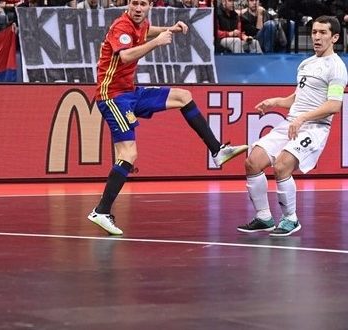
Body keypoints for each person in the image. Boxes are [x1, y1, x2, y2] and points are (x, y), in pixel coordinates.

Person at [88, 0, 248, 236]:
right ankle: (101, 211)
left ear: (150, 6)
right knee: (129, 154)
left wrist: (169, 29)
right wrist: (158, 42)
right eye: (134, 3)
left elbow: (146, 30)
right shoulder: (121, 26)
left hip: (131, 92)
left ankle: (217, 150)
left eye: (143, 4)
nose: (138, 8)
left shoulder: (140, 23)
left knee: (183, 96)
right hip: (112, 96)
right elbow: (125, 56)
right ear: (128, 5)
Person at [237, 16, 347, 237]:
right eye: (314, 32)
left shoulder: (337, 68)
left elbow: (334, 105)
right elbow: (298, 97)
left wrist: (302, 118)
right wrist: (276, 102)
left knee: (281, 166)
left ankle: (290, 219)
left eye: (323, 33)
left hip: (314, 127)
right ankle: (264, 217)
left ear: (334, 37)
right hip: (292, 122)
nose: (316, 37)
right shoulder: (306, 63)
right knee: (253, 161)